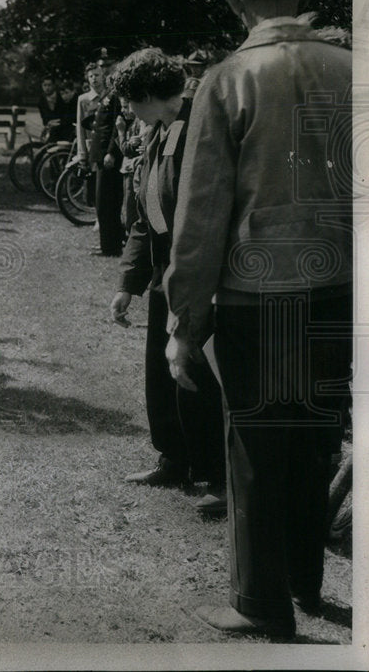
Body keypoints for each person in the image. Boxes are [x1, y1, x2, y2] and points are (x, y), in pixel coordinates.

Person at [164, 0, 353, 638]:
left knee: (254, 450)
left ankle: (261, 604)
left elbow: (202, 211)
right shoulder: (355, 70)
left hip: (256, 294)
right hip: (337, 292)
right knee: (314, 439)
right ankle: (306, 580)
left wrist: (186, 316)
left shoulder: (227, 79)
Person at [107, 48, 226, 516]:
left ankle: (216, 472)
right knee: (161, 371)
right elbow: (144, 216)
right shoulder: (157, 132)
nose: (128, 110)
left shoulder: (201, 126)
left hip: (197, 267)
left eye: (131, 101)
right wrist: (127, 284)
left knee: (195, 370)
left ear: (152, 95)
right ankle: (174, 458)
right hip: (163, 268)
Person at [89, 57, 126, 257]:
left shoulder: (116, 94)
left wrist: (112, 151)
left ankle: (110, 246)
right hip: (101, 154)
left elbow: (116, 125)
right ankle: (107, 243)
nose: (103, 71)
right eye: (101, 67)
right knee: (102, 203)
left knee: (108, 202)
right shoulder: (107, 92)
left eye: (106, 67)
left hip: (108, 156)